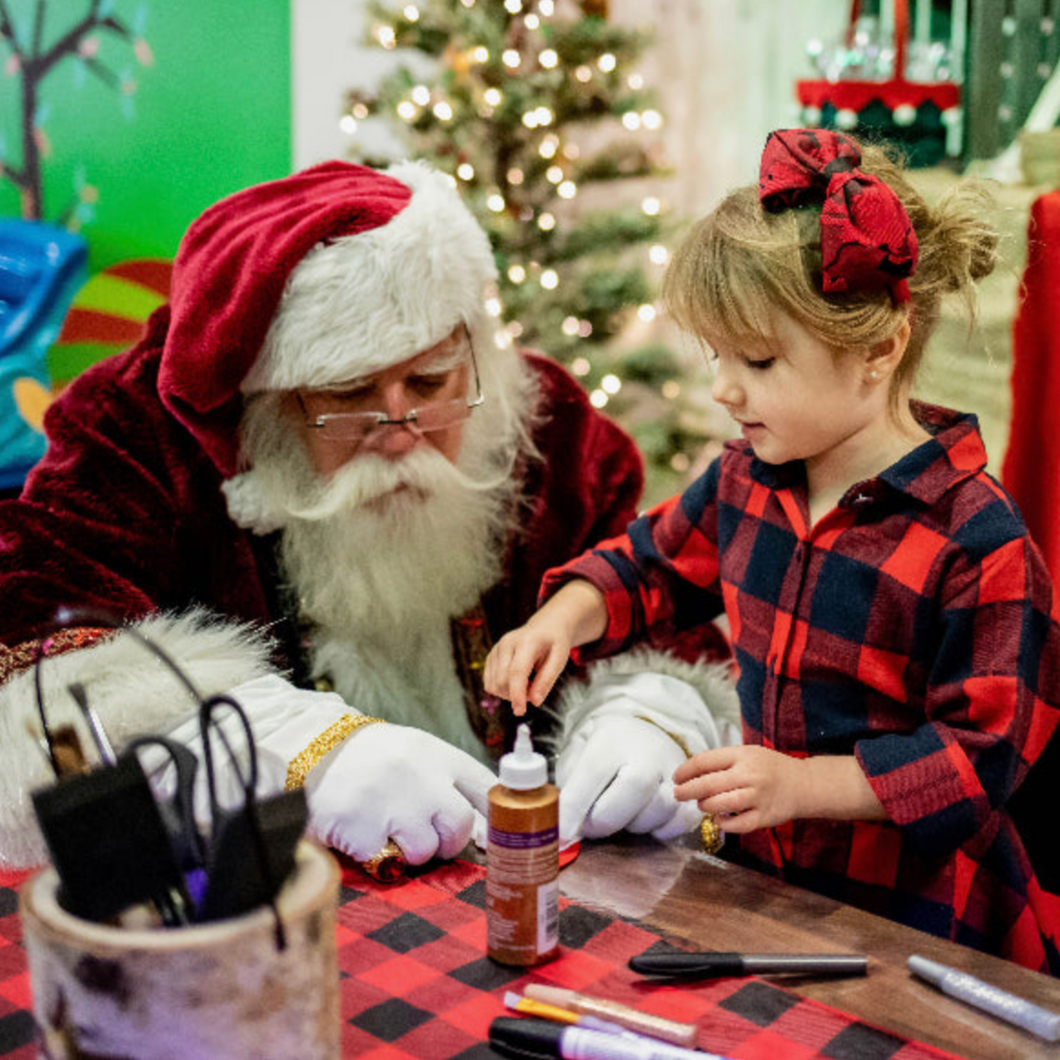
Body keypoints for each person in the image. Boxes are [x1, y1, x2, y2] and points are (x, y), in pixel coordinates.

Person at [0, 159, 737, 874]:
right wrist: (285, 752)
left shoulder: (544, 427)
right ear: (270, 396)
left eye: (430, 378)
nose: (401, 426)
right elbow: (39, 679)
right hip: (269, 905)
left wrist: (648, 714)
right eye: (347, 391)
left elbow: (660, 611)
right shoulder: (137, 429)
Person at [484, 128, 1060, 975]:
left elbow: (979, 765)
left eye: (756, 359)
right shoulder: (748, 478)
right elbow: (649, 564)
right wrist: (561, 620)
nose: (723, 388)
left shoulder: (981, 543)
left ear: (879, 348)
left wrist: (800, 786)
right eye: (717, 355)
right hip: (769, 894)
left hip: (922, 931)